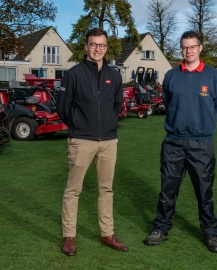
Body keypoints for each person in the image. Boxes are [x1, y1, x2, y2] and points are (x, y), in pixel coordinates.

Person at [143, 30, 217, 253]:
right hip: (174, 142)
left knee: (204, 190)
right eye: (184, 47)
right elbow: (170, 105)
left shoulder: (213, 75)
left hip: (202, 144)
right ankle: (160, 229)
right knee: (168, 189)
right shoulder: (171, 75)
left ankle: (210, 233)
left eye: (192, 46)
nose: (188, 51)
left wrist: (201, 124)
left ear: (200, 48)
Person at [56, 27, 129, 256]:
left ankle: (107, 234)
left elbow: (117, 105)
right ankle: (69, 236)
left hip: (108, 140)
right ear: (86, 46)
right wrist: (78, 126)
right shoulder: (74, 74)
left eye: (102, 45)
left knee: (106, 189)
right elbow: (62, 107)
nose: (97, 49)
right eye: (93, 44)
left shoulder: (114, 75)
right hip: (81, 140)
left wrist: (106, 123)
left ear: (106, 48)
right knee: (73, 190)